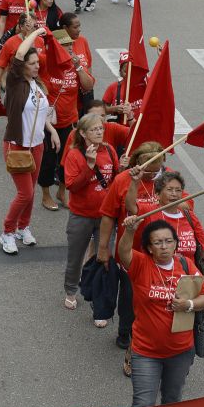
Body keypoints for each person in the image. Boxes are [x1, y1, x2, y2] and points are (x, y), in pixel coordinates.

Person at [117, 215, 204, 407]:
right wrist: (130, 230)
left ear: (176, 243)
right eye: (158, 242)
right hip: (145, 352)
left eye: (169, 241)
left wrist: (189, 305)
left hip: (181, 352)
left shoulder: (186, 265)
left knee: (172, 402)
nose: (164, 246)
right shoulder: (141, 264)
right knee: (143, 406)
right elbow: (123, 252)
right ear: (149, 248)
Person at [97, 143, 166, 372]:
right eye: (149, 169)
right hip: (131, 254)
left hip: (161, 254)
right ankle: (125, 331)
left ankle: (149, 336)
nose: (153, 174)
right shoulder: (123, 180)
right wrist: (103, 247)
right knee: (130, 297)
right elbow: (108, 216)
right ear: (138, 163)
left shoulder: (166, 182)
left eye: (157, 169)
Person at [0, 28, 60, 255]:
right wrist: (36, 32)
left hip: (37, 145)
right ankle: (7, 232)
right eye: (32, 63)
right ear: (22, 66)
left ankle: (23, 228)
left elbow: (40, 114)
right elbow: (18, 53)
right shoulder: (16, 82)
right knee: (24, 193)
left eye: (37, 62)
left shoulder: (37, 85)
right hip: (17, 145)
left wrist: (52, 131)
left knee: (31, 192)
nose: (37, 66)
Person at [62, 113, 120, 319]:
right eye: (94, 129)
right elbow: (73, 186)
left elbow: (114, 179)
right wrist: (88, 165)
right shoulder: (74, 155)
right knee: (75, 256)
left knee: (104, 257)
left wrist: (125, 168)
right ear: (83, 133)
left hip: (105, 217)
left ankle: (99, 302)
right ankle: (71, 289)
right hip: (81, 216)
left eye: (101, 128)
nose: (99, 132)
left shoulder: (110, 150)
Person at [38, 12, 95, 212]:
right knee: (47, 160)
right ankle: (46, 195)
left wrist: (78, 65)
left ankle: (62, 191)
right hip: (47, 122)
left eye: (70, 45)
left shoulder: (75, 63)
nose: (70, 49)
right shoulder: (45, 60)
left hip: (70, 121)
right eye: (65, 46)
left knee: (66, 160)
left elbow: (87, 86)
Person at [154, 171, 204, 294]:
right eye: (169, 190)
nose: (174, 194)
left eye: (178, 190)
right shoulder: (150, 215)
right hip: (159, 282)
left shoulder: (189, 216)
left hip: (188, 283)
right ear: (157, 194)